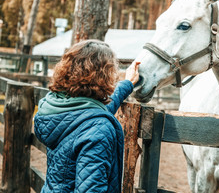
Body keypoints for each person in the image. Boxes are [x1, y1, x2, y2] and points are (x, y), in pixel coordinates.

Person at [34, 39, 140, 192]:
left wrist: (127, 84)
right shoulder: (97, 128)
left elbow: (94, 113)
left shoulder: (58, 109)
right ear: (104, 76)